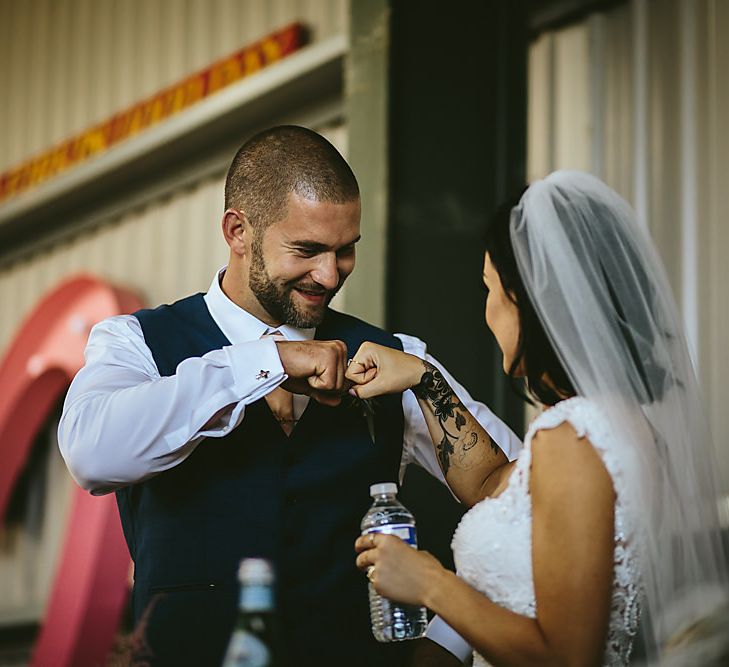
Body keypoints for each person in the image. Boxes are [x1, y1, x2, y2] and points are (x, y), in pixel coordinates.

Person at [57, 126, 521, 667]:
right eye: (307, 249)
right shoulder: (135, 343)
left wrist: (448, 641)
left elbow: (528, 502)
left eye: (346, 251)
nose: (329, 274)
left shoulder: (397, 357)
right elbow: (92, 455)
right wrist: (265, 362)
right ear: (237, 231)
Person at [349, 171, 729, 666]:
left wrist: (429, 583)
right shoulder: (621, 424)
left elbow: (567, 656)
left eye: (491, 290)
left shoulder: (572, 437)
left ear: (529, 301)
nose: (487, 311)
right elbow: (489, 483)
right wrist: (425, 378)